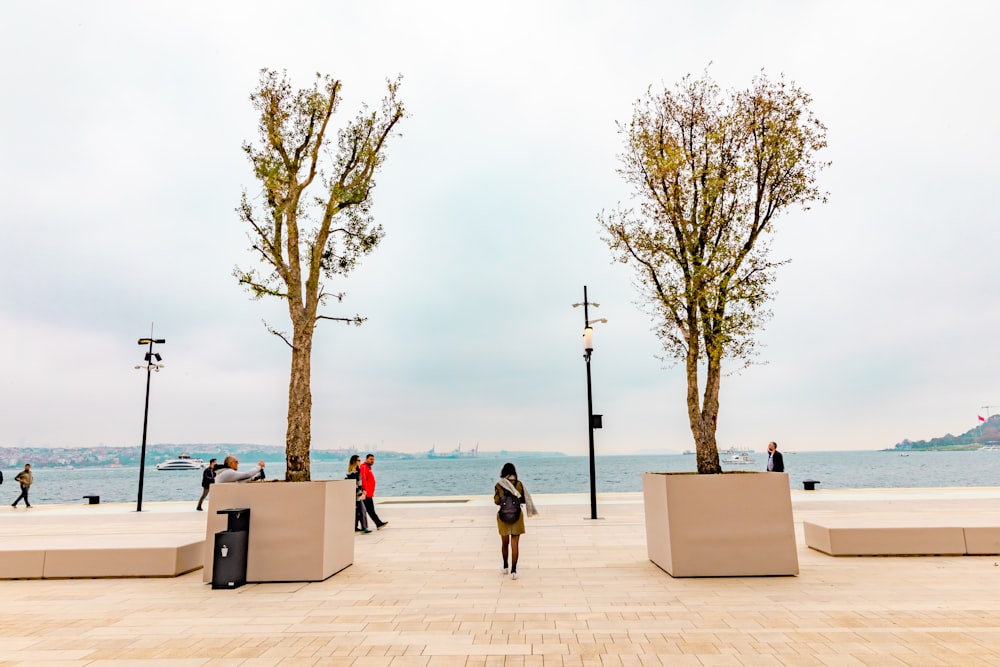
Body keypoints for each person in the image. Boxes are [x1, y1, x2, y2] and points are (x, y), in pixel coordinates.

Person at [494, 462, 537, 580]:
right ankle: (514, 571)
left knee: (504, 543)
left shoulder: (499, 485)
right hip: (517, 516)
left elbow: (497, 501)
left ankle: (505, 566)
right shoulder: (519, 484)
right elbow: (523, 499)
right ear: (514, 472)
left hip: (503, 517)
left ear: (503, 472)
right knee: (515, 545)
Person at [359, 454, 388, 529]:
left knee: (370, 510)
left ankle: (378, 524)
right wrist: (364, 491)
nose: (372, 461)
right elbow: (363, 479)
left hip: (369, 494)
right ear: (366, 459)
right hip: (366, 494)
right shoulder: (364, 467)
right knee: (363, 511)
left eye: (373, 459)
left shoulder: (368, 468)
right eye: (371, 459)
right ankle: (361, 526)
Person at [346, 455, 372, 533]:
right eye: (358, 460)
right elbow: (355, 486)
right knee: (362, 511)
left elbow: (359, 484)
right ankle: (364, 528)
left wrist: (363, 490)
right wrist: (361, 494)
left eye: (360, 460)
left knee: (357, 512)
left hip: (358, 495)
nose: (360, 462)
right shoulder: (353, 473)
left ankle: (355, 527)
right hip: (357, 496)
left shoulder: (358, 471)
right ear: (354, 462)